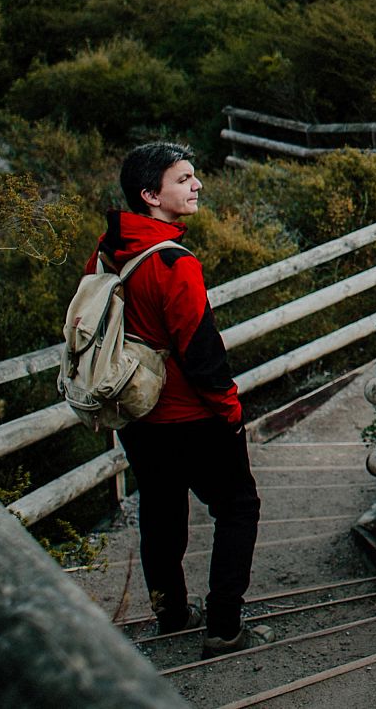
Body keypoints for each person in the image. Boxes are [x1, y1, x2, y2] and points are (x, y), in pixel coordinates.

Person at [99, 141, 267, 655]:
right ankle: (223, 626)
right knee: (238, 507)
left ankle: (170, 613)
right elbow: (201, 348)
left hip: (136, 415)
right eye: (183, 179)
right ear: (151, 194)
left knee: (160, 509)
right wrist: (231, 413)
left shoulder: (109, 252)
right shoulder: (173, 262)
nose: (196, 186)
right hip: (191, 414)